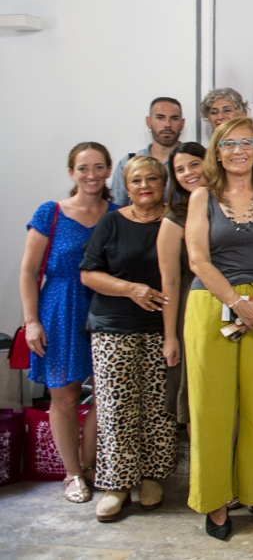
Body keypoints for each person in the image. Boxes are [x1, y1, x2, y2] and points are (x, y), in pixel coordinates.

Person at [185, 116, 253, 540]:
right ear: (217, 151)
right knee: (212, 410)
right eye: (228, 144)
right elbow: (198, 260)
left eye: (246, 143)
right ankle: (214, 501)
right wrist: (236, 304)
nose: (237, 151)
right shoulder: (201, 197)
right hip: (213, 304)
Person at [79, 155, 176, 522]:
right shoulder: (111, 222)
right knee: (117, 409)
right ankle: (117, 485)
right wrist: (130, 289)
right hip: (112, 327)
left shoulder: (175, 220)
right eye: (136, 180)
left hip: (160, 329)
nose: (144, 185)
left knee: (158, 409)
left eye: (152, 178)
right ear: (126, 185)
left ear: (164, 183)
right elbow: (89, 273)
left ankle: (152, 478)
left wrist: (171, 334)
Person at [20, 143, 115, 504]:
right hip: (61, 308)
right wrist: (31, 322)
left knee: (105, 394)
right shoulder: (52, 212)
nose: (90, 174)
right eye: (82, 168)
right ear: (71, 172)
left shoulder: (119, 213)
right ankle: (72, 473)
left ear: (108, 171)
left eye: (98, 167)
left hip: (107, 307)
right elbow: (29, 271)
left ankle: (90, 466)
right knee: (66, 395)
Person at [157, 142, 207, 437]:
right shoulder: (174, 218)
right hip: (190, 312)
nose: (188, 173)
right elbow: (170, 283)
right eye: (179, 169)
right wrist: (170, 337)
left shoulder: (229, 204)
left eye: (193, 164)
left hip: (234, 308)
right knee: (196, 396)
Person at [113, 97, 184, 206]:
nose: (167, 124)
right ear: (148, 121)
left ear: (182, 123)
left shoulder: (195, 162)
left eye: (174, 118)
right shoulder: (127, 163)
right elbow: (118, 209)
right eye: (160, 118)